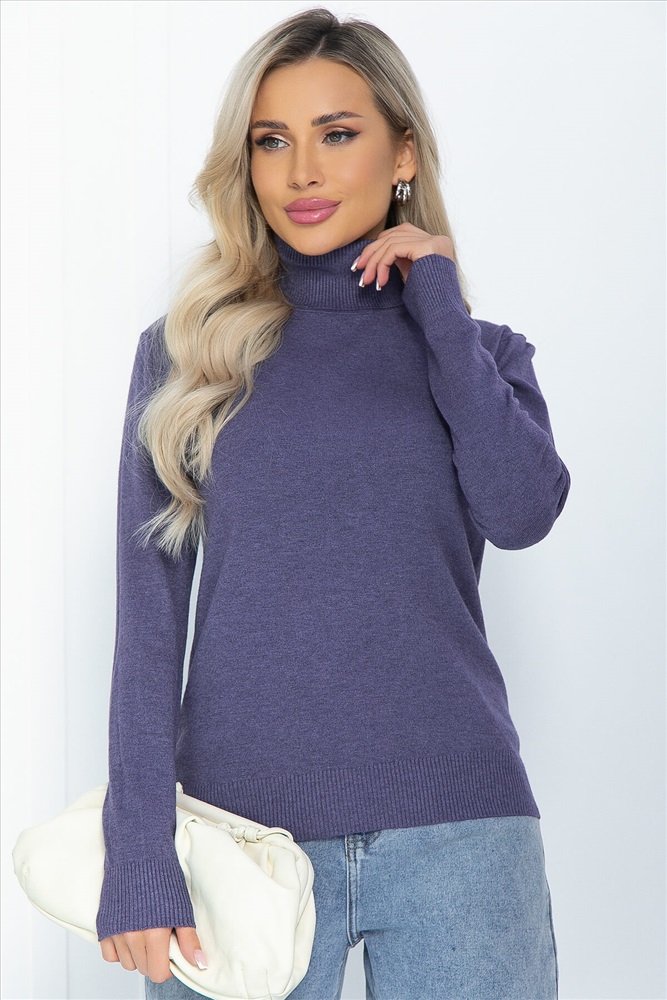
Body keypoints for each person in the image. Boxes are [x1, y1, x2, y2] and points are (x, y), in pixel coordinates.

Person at [96, 7, 570, 999]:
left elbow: (522, 511)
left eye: (337, 134)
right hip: (235, 847)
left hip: (461, 838)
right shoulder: (189, 356)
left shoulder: (481, 355)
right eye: (271, 141)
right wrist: (137, 850)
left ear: (403, 152)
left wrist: (437, 303)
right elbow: (147, 625)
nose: (301, 172)